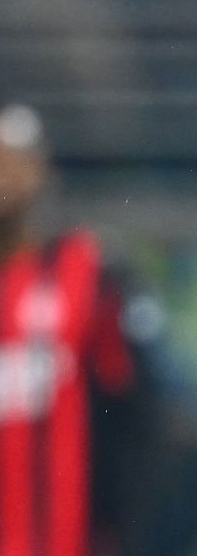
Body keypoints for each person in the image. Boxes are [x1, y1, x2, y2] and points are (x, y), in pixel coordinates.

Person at [0, 103, 146, 556]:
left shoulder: (85, 268)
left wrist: (122, 522)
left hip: (64, 536)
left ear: (40, 171)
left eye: (12, 160)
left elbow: (130, 403)